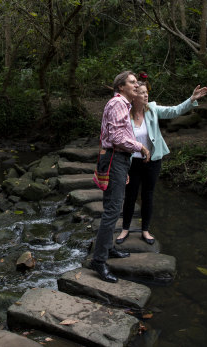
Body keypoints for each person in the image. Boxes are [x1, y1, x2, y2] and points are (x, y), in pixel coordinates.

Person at [115, 80, 207, 245]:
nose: (146, 95)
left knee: (148, 195)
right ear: (134, 96)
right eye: (142, 92)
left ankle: (145, 230)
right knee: (130, 196)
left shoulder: (152, 109)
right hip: (132, 161)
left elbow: (174, 111)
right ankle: (125, 229)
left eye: (146, 92)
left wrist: (191, 99)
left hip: (153, 160)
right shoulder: (125, 112)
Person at [90, 71, 151, 283]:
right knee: (112, 209)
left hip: (118, 160)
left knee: (113, 207)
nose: (137, 85)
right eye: (133, 82)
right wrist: (140, 147)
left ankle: (108, 248)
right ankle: (98, 260)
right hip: (116, 158)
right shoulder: (117, 104)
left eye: (137, 82)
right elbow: (117, 137)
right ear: (121, 86)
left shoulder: (123, 104)